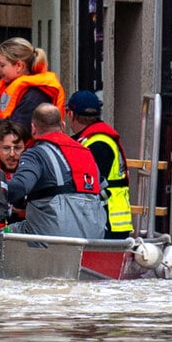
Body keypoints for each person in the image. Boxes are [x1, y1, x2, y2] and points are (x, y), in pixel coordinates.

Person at [4, 104, 106, 240]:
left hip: (53, 238)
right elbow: (101, 190)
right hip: (93, 238)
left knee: (3, 234)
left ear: (33, 128)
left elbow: (20, 186)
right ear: (63, 126)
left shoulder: (35, 153)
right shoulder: (85, 152)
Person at [0, 37, 66, 162]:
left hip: (22, 163)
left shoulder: (34, 96)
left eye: (2, 65)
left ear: (19, 66)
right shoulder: (15, 88)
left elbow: (12, 135)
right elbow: (1, 112)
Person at [66, 90, 133, 239]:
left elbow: (87, 185)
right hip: (109, 219)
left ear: (71, 114)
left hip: (107, 220)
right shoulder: (97, 139)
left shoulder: (97, 143)